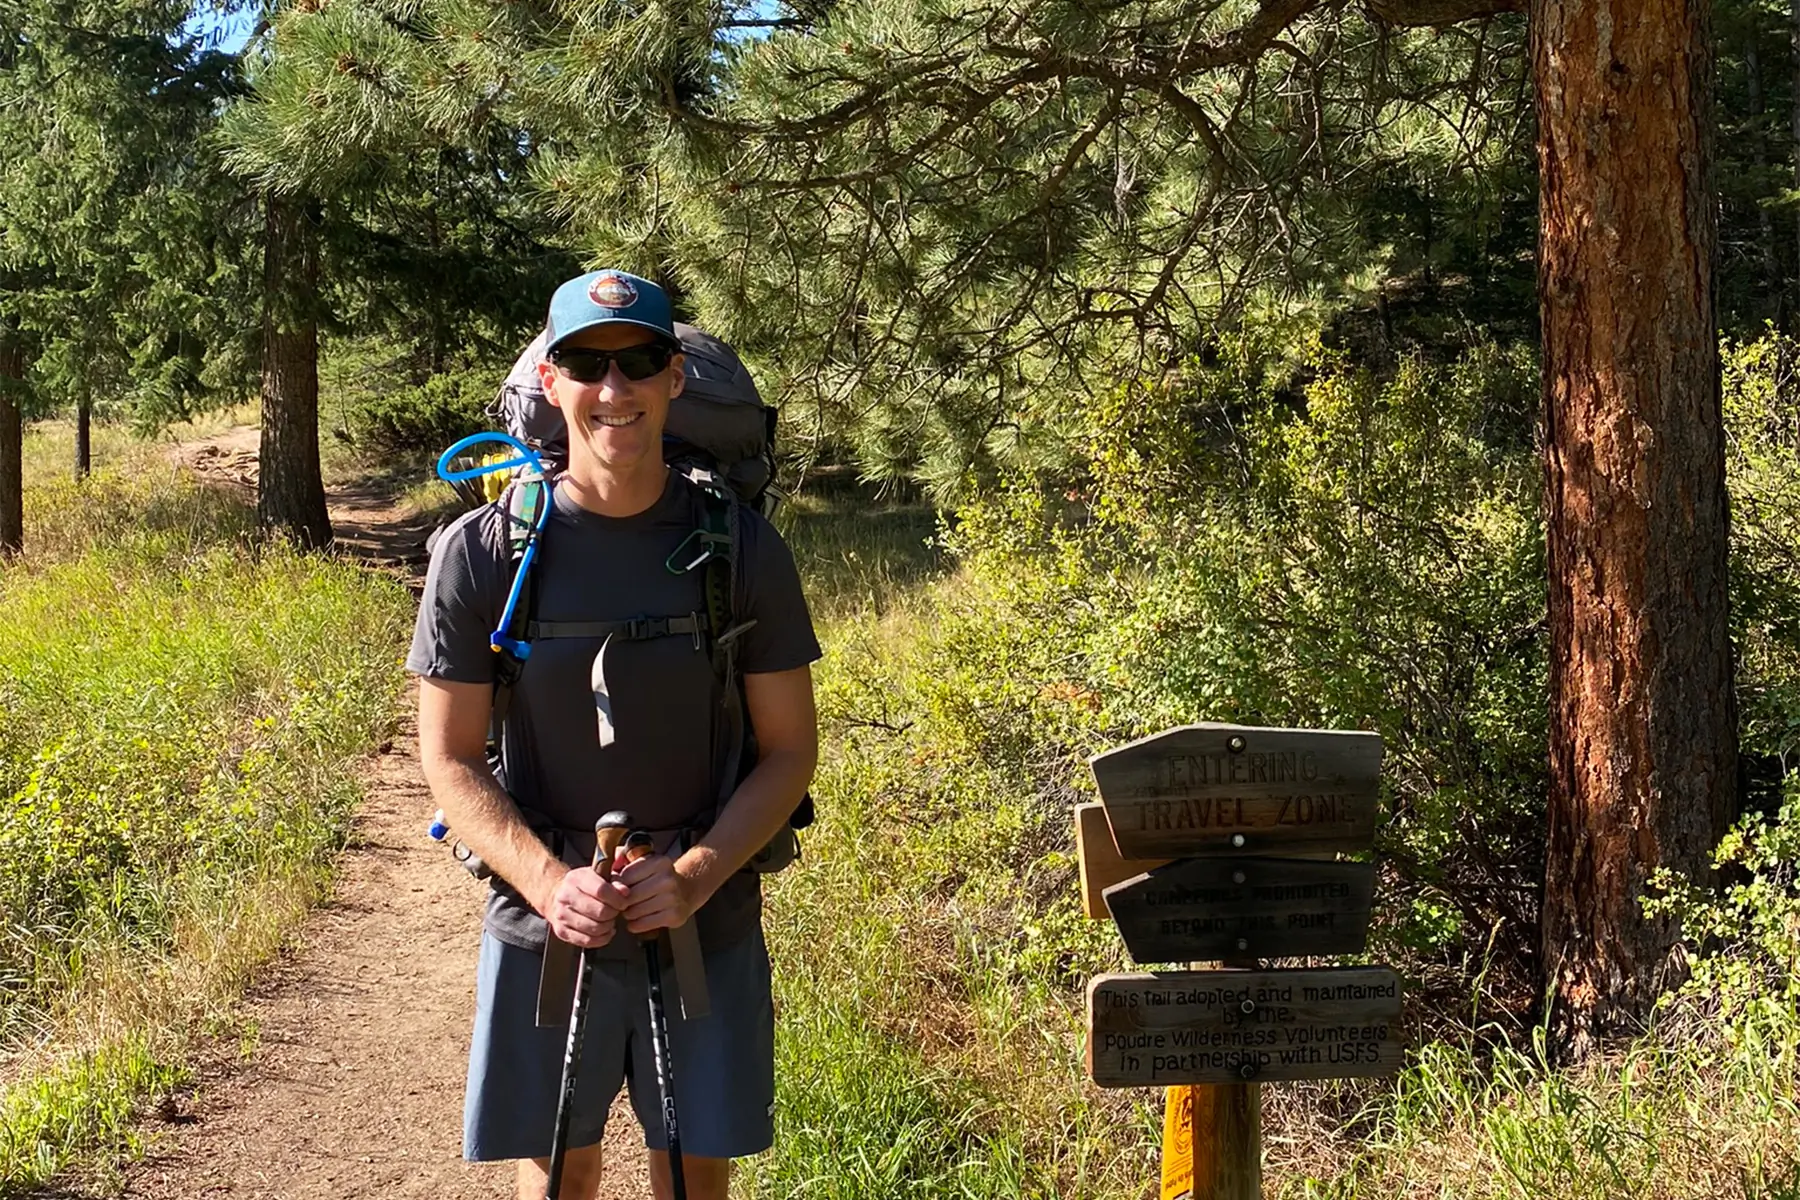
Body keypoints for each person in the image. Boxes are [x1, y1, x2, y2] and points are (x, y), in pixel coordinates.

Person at [408, 269, 820, 1200]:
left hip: (701, 919)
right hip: (541, 916)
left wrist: (695, 874)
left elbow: (791, 747)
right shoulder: (485, 552)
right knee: (560, 1168)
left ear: (675, 377)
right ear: (550, 384)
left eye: (638, 361)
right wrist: (553, 886)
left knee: (690, 1170)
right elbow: (447, 755)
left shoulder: (741, 548)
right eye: (586, 364)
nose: (614, 389)